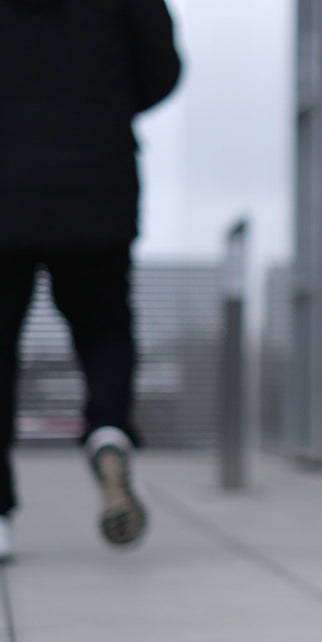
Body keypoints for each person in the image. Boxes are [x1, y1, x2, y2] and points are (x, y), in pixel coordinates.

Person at [0, 0, 181, 559]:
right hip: (96, 180)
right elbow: (161, 71)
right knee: (104, 327)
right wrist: (98, 107)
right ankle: (108, 430)